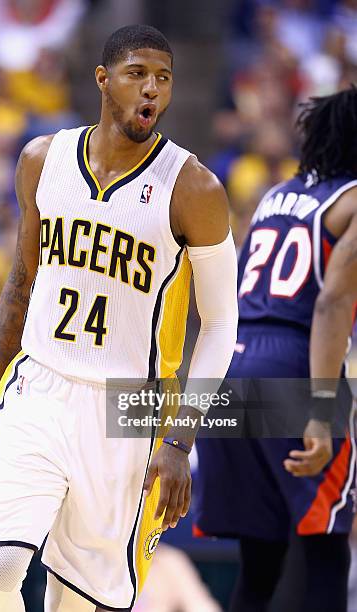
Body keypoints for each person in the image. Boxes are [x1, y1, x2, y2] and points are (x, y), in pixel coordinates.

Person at [0, 25, 238, 612]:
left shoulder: (194, 188)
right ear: (103, 79)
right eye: (138, 73)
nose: (152, 90)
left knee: (80, 599)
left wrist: (180, 441)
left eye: (163, 79)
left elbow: (219, 326)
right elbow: (20, 280)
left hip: (127, 410)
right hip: (38, 383)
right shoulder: (43, 159)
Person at [194, 86, 357, 612]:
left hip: (231, 369)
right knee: (327, 550)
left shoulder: (273, 197)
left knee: (259, 562)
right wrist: (323, 409)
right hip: (292, 361)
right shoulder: (352, 200)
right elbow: (332, 302)